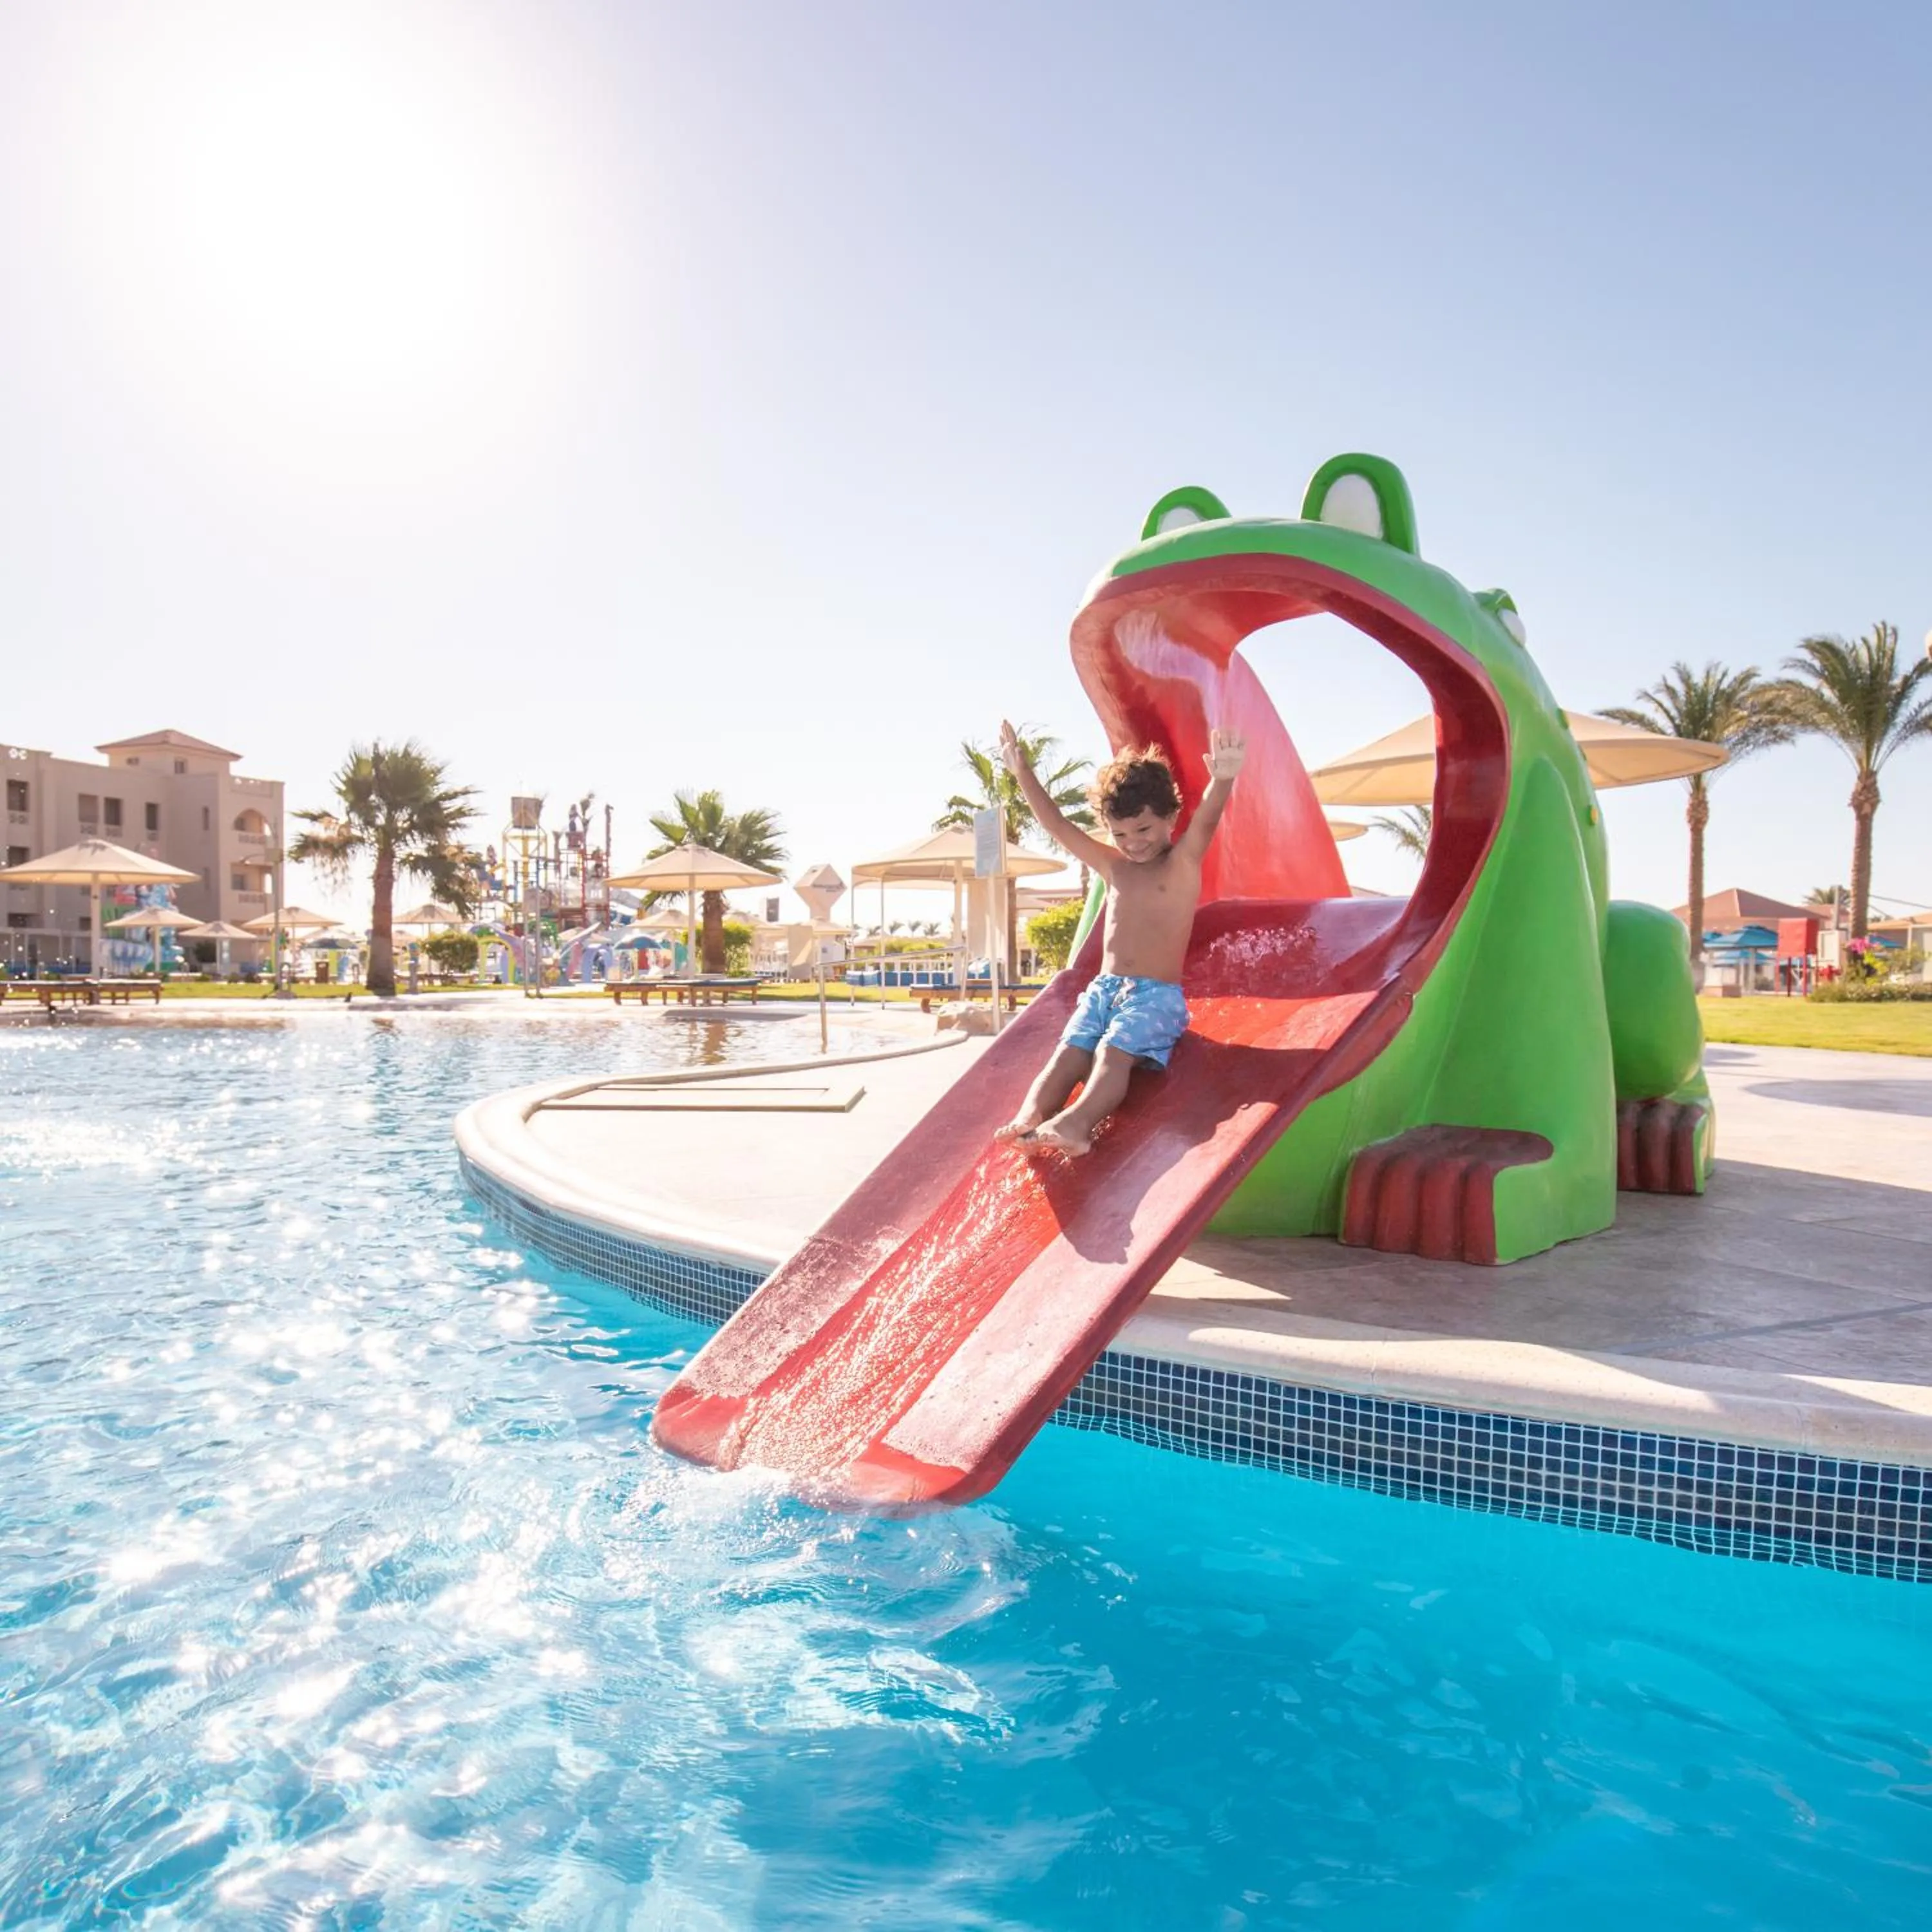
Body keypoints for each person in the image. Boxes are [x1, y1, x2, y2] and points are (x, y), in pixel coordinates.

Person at [994, 717, 1245, 1155]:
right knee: (1068, 1053)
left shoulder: (1181, 863)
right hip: (1103, 991)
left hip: (1155, 998)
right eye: (1120, 834)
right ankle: (1030, 1117)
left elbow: (1206, 820)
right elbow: (1057, 826)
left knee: (1113, 1055)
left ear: (1170, 817)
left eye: (1144, 829)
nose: (1133, 843)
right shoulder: (1115, 869)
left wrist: (1222, 779)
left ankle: (1076, 1124)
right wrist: (1022, 773)